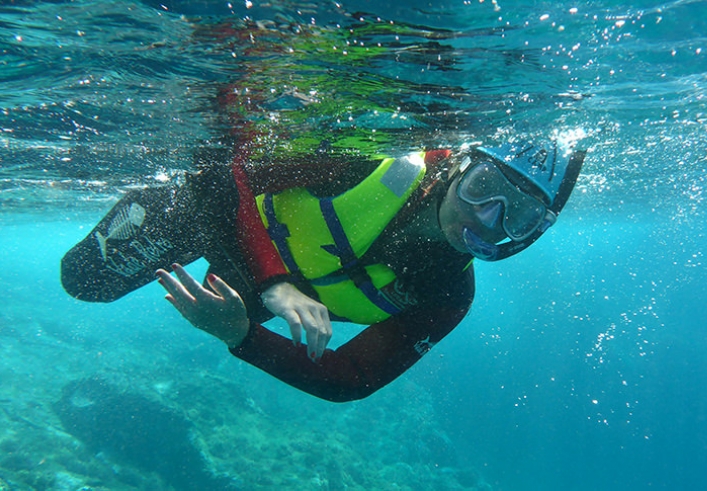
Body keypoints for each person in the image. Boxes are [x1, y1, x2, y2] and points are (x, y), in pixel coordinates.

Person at [62, 140, 585, 402]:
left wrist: (241, 335)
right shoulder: (372, 161)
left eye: (517, 217)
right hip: (220, 217)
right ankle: (149, 205)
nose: (484, 217)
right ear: (463, 166)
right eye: (482, 189)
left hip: (249, 292)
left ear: (533, 234)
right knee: (84, 282)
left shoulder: (446, 295)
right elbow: (216, 172)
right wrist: (275, 282)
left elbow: (351, 379)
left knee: (86, 287)